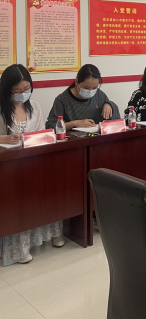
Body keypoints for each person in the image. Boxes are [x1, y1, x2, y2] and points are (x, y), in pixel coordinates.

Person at [0, 64, 65, 265]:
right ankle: (18, 249)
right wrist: (4, 138)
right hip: (7, 166)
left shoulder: (34, 106)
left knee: (49, 186)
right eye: (17, 90)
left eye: (26, 89)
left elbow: (40, 133)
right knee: (17, 198)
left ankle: (52, 233)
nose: (22, 94)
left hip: (32, 161)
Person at [45, 64, 120, 130]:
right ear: (77, 82)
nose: (90, 91)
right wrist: (74, 123)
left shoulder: (99, 95)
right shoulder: (62, 100)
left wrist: (109, 104)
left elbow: (116, 120)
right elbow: (51, 126)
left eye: (94, 88)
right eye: (86, 88)